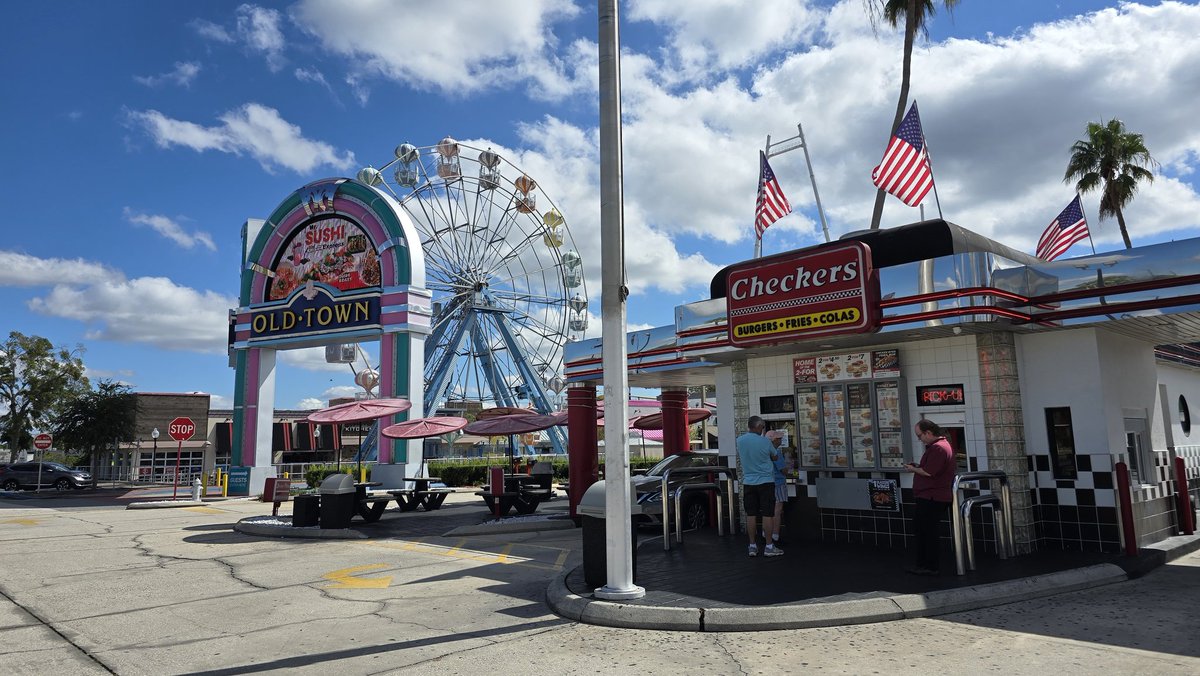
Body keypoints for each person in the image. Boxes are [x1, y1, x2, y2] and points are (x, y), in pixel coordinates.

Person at [904, 419, 956, 575]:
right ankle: (927, 565)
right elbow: (930, 469)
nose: (919, 439)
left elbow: (929, 472)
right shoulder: (940, 447)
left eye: (920, 436)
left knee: (926, 531)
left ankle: (929, 566)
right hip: (933, 496)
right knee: (925, 530)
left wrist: (913, 469)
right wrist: (918, 467)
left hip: (932, 496)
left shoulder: (938, 448)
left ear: (928, 432)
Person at [737, 416, 783, 557]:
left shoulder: (739, 441)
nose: (763, 429)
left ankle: (752, 546)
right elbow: (775, 457)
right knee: (767, 514)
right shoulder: (765, 442)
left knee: (751, 514)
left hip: (748, 482)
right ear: (757, 427)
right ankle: (769, 546)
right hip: (766, 482)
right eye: (762, 427)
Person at [765, 430, 790, 549]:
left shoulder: (763, 451)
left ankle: (765, 532)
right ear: (774, 440)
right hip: (778, 483)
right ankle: (775, 534)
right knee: (777, 510)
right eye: (779, 438)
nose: (781, 440)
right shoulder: (776, 452)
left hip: (766, 483)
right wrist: (788, 468)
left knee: (767, 510)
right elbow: (783, 470)